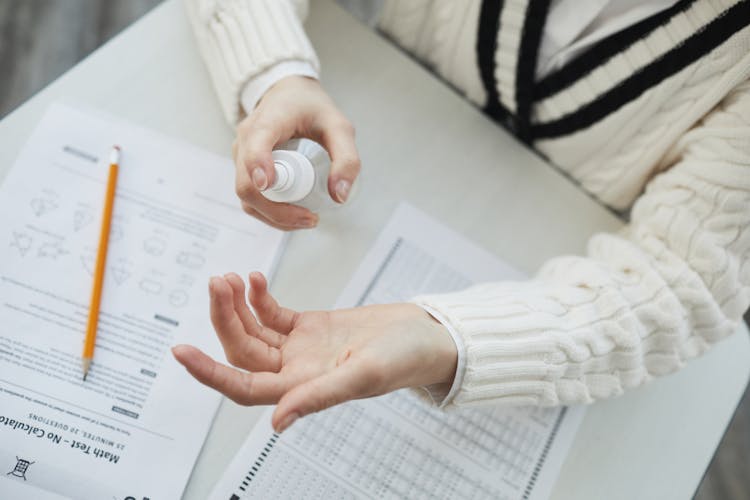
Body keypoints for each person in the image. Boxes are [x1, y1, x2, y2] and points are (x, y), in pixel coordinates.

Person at [171, 0, 750, 434]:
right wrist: (275, 75)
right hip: (389, 141)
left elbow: (684, 280)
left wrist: (452, 339)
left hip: (547, 253)